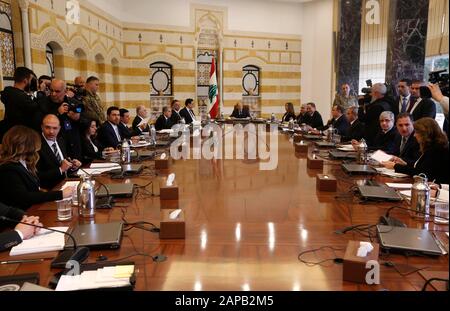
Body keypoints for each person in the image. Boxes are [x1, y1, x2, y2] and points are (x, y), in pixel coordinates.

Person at [0, 126, 74, 210]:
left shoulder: (25, 162)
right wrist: (60, 194)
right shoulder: (8, 169)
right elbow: (24, 197)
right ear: (22, 145)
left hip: (34, 208)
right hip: (23, 215)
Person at [383, 118, 449, 184]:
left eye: (417, 132)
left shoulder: (436, 149)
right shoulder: (432, 146)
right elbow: (421, 167)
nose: (414, 135)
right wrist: (405, 164)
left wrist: (395, 166)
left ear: (425, 133)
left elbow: (421, 173)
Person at [37, 115, 81, 190]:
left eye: (55, 128)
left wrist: (72, 166)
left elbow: (63, 164)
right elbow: (37, 175)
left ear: (59, 128)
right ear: (42, 127)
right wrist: (60, 170)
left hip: (66, 185)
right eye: (47, 127)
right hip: (50, 190)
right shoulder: (36, 145)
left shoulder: (61, 140)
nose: (51, 131)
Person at [0, 67, 39, 139]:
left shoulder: (8, 92)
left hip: (10, 132)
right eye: (30, 81)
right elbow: (36, 108)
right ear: (25, 81)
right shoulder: (21, 97)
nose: (31, 83)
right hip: (21, 135)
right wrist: (40, 92)